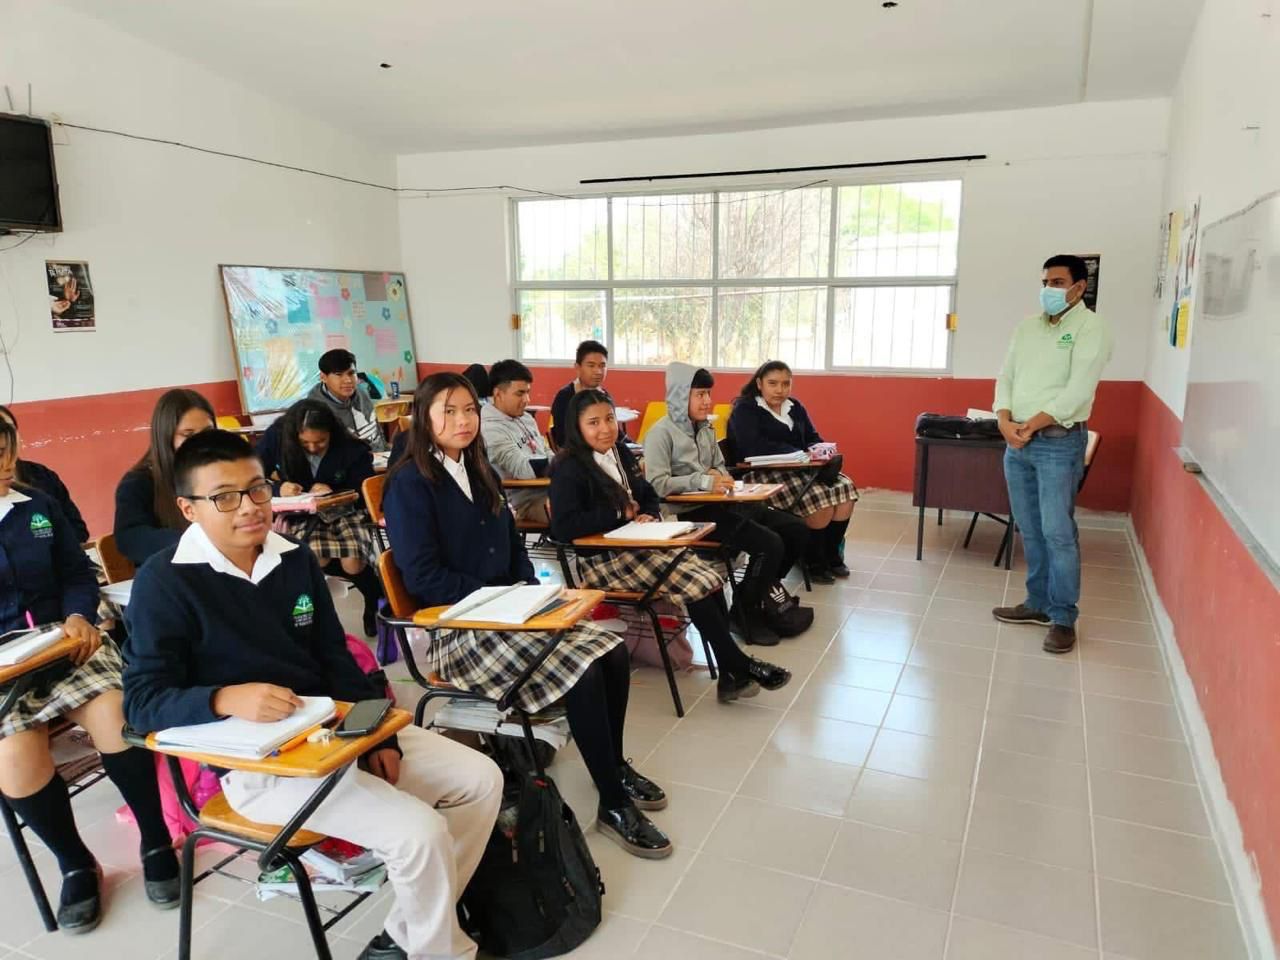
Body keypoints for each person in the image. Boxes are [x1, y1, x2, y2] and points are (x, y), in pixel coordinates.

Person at [122, 430, 503, 960]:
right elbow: (141, 703)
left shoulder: (293, 558)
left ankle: (406, 935)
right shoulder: (165, 582)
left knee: (482, 779)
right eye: (224, 497)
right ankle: (442, 950)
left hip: (337, 734)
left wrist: (377, 737)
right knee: (419, 833)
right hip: (258, 768)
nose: (249, 507)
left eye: (257, 489)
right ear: (188, 508)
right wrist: (224, 698)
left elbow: (335, 659)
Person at [383, 372, 671, 860]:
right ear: (424, 419)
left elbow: (513, 546)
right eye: (448, 411)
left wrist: (528, 593)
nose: (463, 420)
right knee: (582, 670)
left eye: (469, 410)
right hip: (460, 627)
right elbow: (424, 577)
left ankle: (614, 767)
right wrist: (499, 599)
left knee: (611, 650)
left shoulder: (480, 469)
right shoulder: (411, 483)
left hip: (510, 613)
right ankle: (613, 802)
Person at [0, 417, 179, 934]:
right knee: (13, 757)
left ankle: (155, 840)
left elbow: (77, 574)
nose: (7, 463)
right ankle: (76, 864)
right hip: (4, 666)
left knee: (115, 714)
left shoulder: (38, 506)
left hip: (65, 642)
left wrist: (79, 616)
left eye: (8, 449)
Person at [550, 389, 790, 703]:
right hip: (604, 559)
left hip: (640, 544)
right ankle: (739, 666)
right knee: (696, 585)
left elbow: (647, 493)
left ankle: (732, 672)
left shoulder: (620, 453)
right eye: (593, 423)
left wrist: (648, 513)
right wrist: (618, 514)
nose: (605, 428)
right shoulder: (568, 467)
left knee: (710, 578)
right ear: (576, 427)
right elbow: (564, 527)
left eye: (609, 419)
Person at [992, 254, 1113, 654]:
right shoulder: (1027, 328)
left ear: (1079, 287)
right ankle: (1037, 603)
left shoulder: (1092, 329)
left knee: (1058, 533)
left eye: (1058, 283)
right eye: (1046, 282)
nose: (1049, 289)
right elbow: (1006, 376)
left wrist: (1033, 424)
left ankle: (1062, 617)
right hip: (1018, 442)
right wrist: (1003, 419)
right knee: (1029, 528)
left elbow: (1078, 390)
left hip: (1058, 443)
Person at [643, 363, 813, 646]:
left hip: (722, 504)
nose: (707, 401)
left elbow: (720, 467)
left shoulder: (705, 428)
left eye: (708, 393)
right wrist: (703, 480)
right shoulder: (661, 433)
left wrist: (718, 476)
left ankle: (753, 598)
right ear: (679, 395)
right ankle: (747, 613)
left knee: (795, 530)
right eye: (699, 394)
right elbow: (657, 484)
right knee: (769, 544)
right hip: (690, 516)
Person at [255, 400, 383, 636]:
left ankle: (373, 596)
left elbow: (363, 489)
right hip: (303, 514)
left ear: (331, 433)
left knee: (353, 562)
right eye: (305, 443)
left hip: (346, 511)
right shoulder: (278, 436)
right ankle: (331, 616)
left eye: (321, 442)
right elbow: (253, 476)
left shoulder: (351, 448)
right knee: (316, 558)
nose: (313, 448)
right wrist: (278, 488)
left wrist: (335, 492)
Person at [727, 361, 859, 584]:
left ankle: (831, 555)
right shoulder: (746, 409)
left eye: (785, 384)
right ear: (759, 384)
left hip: (800, 469)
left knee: (846, 489)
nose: (779, 390)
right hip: (763, 473)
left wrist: (819, 450)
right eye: (772, 384)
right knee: (819, 499)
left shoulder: (795, 407)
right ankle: (813, 560)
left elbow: (812, 437)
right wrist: (796, 452)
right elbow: (752, 446)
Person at [114, 388, 215, 567]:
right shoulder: (139, 482)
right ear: (166, 437)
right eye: (188, 435)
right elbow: (129, 538)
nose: (202, 443)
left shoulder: (222, 473)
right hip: (174, 572)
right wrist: (193, 541)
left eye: (208, 432)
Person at [0, 404, 89, 542]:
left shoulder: (42, 478)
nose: (7, 437)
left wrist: (47, 545)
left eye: (10, 430)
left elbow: (78, 531)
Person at [480, 359, 552, 525]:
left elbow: (546, 451)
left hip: (550, 490)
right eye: (520, 393)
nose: (527, 399)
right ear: (498, 394)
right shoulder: (489, 429)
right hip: (524, 503)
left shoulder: (526, 419)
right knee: (574, 509)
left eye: (528, 392)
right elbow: (524, 469)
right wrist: (561, 464)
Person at [307, 348, 388, 452]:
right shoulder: (314, 409)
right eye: (339, 374)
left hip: (380, 458)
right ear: (323, 377)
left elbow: (377, 431)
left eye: (351, 373)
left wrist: (387, 451)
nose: (348, 380)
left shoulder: (362, 391)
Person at [549, 340, 612, 447]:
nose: (598, 371)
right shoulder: (565, 397)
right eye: (591, 366)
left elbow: (614, 431)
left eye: (602, 366)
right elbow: (562, 438)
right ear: (577, 368)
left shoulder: (605, 396)